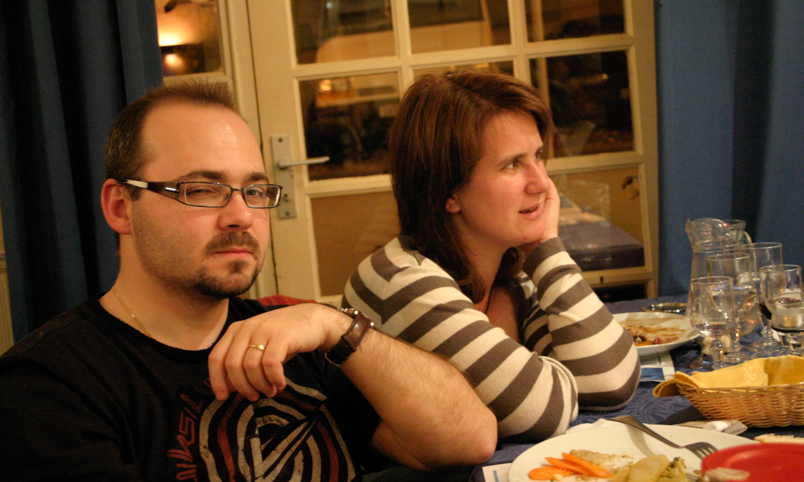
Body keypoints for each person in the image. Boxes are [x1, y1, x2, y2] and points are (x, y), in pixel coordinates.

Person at [0, 82, 497, 481]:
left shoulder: (298, 339)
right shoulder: (46, 386)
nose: (241, 215)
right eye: (202, 189)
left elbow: (470, 440)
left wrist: (339, 327)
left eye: (255, 191)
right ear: (119, 207)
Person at [342, 70, 640, 443]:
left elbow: (611, 382)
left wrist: (546, 248)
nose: (542, 183)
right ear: (449, 190)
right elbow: (545, 411)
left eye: (538, 156)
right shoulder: (402, 280)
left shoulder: (507, 269)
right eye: (512, 164)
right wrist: (559, 374)